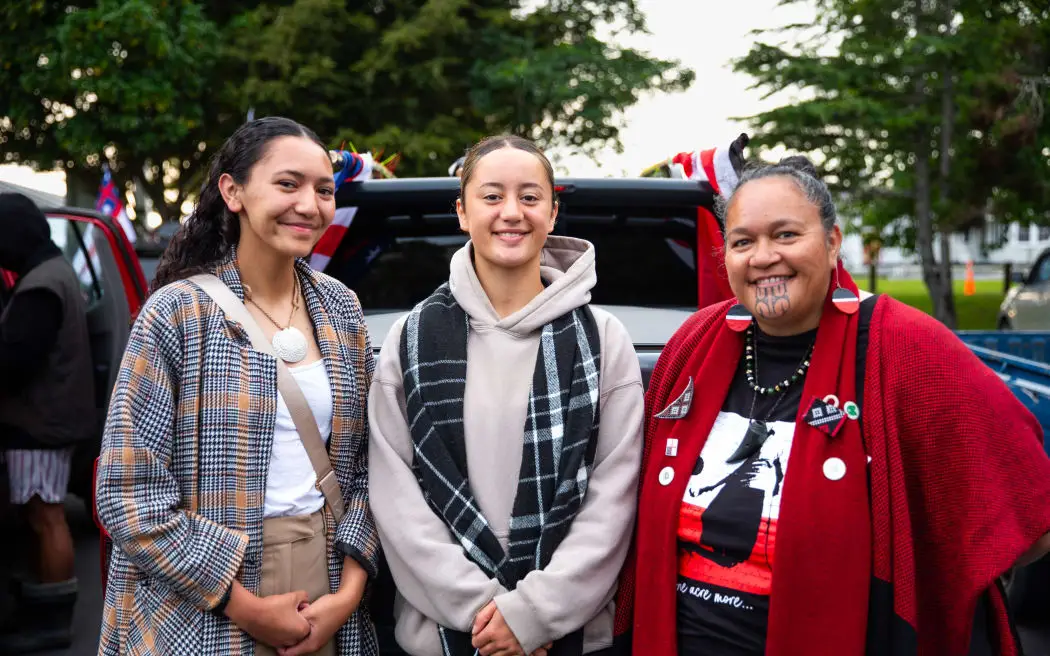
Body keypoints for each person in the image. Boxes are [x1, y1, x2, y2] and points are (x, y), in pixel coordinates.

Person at [614, 156, 1050, 655]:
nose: (763, 257)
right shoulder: (694, 343)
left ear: (833, 241)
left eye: (785, 235)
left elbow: (1029, 520)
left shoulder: (906, 347)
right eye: (743, 242)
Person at [95, 117, 380, 656]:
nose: (310, 204)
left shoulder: (342, 308)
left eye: (324, 190)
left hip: (328, 588)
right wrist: (245, 608)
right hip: (200, 606)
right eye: (288, 183)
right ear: (233, 191)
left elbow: (369, 466)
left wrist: (348, 595)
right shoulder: (178, 312)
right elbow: (128, 493)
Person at [368, 135, 644, 656]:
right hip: (439, 639)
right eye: (491, 196)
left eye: (530, 197)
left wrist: (534, 616)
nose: (511, 213)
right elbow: (396, 500)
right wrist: (492, 618)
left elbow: (614, 500)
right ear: (462, 212)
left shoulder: (604, 340)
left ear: (553, 212)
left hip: (568, 638)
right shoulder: (411, 338)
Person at [0, 192, 94, 652]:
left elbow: (15, 361)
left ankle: (54, 622)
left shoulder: (40, 284)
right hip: (53, 420)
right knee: (44, 514)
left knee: (45, 516)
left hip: (40, 424)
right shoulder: (56, 272)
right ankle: (44, 611)